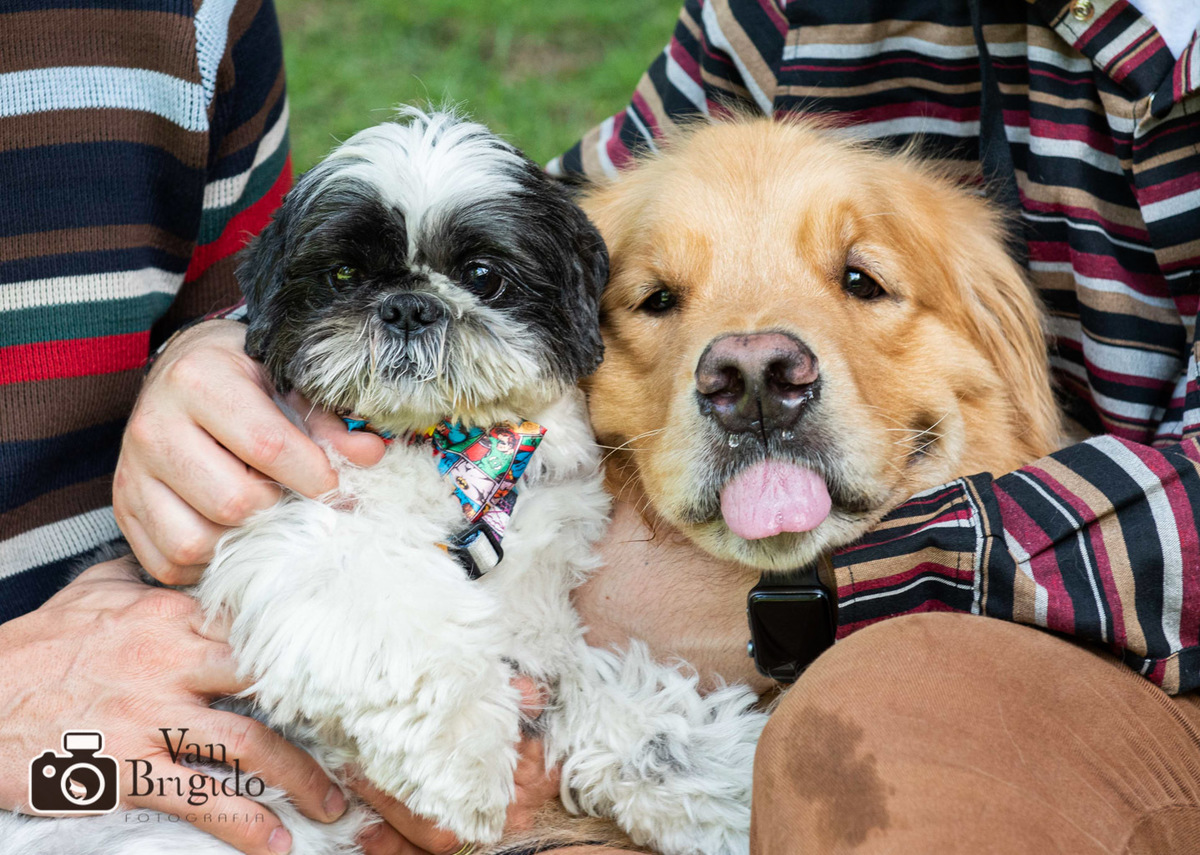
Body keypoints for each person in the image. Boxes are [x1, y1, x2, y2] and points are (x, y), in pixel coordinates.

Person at [5, 1, 1200, 854]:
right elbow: (522, 237)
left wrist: (807, 598)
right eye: (661, 302)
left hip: (1109, 654)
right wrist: (226, 353)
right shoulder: (787, 18)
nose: (751, 358)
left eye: (863, 281)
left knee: (893, 721)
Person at [0, 3, 553, 855]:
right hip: (77, 780)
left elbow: (256, 305)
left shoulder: (197, 15)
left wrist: (203, 349)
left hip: (208, 679)